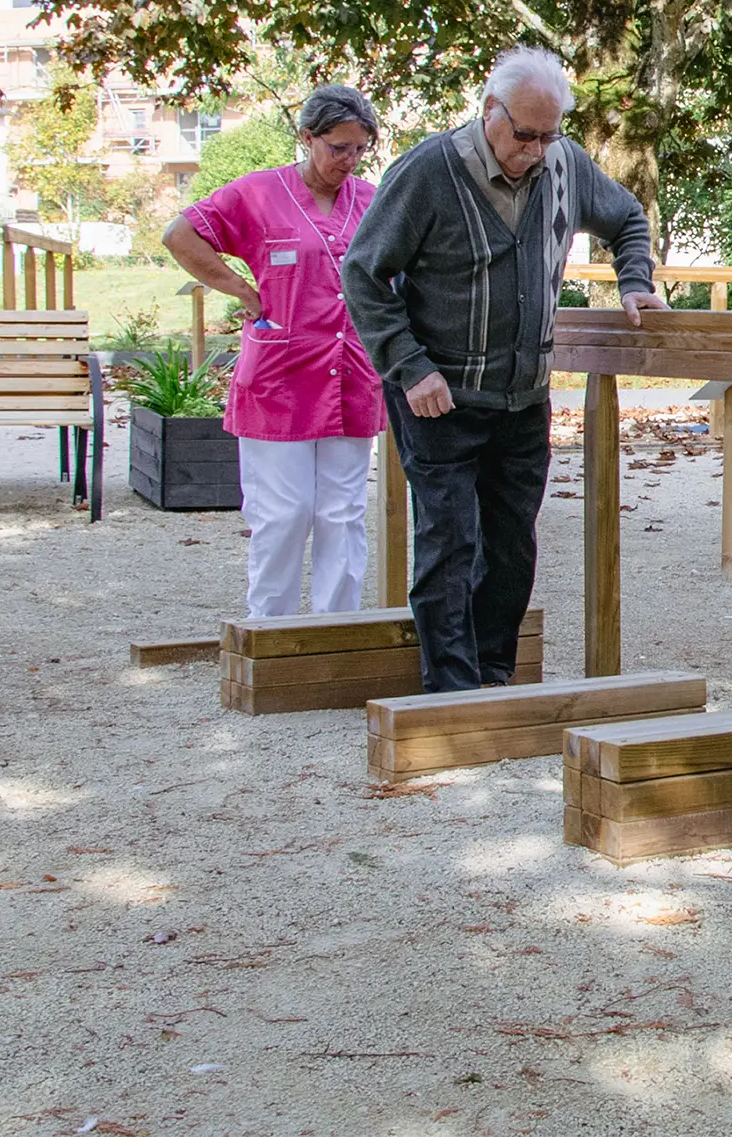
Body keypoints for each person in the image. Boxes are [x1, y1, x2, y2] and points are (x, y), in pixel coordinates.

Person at [342, 46, 667, 694]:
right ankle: (452, 693)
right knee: (450, 543)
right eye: (526, 134)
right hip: (439, 398)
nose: (539, 149)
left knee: (512, 547)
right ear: (491, 112)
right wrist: (409, 367)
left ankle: (492, 679)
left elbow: (627, 217)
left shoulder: (565, 163)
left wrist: (635, 280)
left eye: (550, 135)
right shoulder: (430, 170)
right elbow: (362, 272)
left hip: (524, 398)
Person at [163, 85, 386, 619]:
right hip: (280, 378)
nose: (349, 160)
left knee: (342, 513)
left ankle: (337, 633)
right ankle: (272, 633)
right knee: (284, 513)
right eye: (338, 147)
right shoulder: (257, 194)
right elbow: (180, 235)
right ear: (306, 137)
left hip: (351, 373)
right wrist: (241, 289)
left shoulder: (374, 200)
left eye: (360, 149)